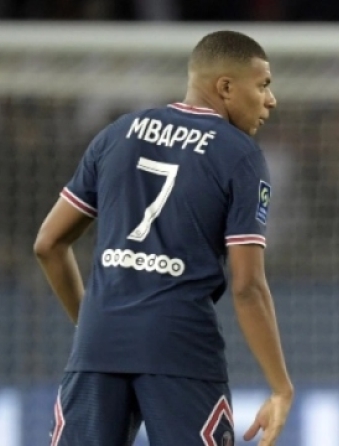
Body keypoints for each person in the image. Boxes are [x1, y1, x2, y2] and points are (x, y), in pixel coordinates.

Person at [33, 30, 293, 446]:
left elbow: (48, 244)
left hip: (98, 343)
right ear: (226, 87)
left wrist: (92, 323)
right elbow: (247, 286)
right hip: (180, 348)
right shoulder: (239, 154)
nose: (271, 100)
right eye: (263, 85)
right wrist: (281, 388)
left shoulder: (117, 133)